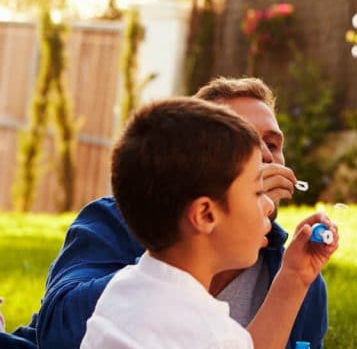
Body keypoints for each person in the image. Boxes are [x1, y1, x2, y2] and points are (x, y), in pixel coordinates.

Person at [9, 77, 329, 349]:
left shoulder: (297, 275)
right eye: (244, 145)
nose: (265, 158)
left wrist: (292, 281)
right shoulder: (117, 227)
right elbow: (58, 332)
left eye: (272, 145)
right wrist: (179, 246)